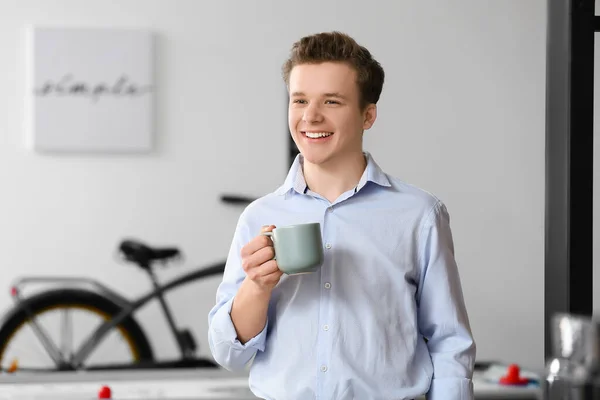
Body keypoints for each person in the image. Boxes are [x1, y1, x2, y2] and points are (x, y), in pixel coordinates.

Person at [208, 31, 476, 400]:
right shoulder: (260, 216)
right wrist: (256, 287)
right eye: (299, 100)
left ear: (368, 115)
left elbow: (449, 343)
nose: (310, 116)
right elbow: (230, 354)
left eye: (331, 101)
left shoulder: (420, 215)